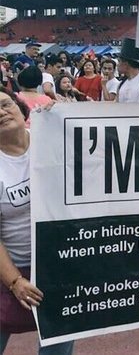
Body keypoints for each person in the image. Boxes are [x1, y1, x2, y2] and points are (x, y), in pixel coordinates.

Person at [0, 87, 75, 354]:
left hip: (59, 266)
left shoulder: (52, 141)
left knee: (57, 346)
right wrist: (15, 281)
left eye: (6, 104)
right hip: (12, 269)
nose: (1, 112)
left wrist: (73, 116)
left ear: (22, 110)